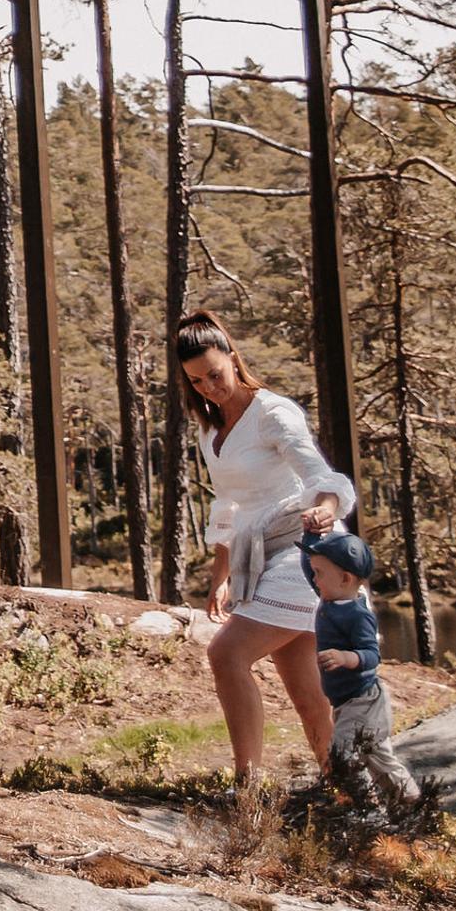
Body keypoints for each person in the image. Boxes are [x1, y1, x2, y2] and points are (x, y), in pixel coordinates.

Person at [177, 311, 358, 787]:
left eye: (215, 374)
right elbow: (229, 503)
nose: (210, 387)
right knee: (307, 693)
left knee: (226, 655)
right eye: (197, 381)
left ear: (233, 359)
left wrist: (324, 503)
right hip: (260, 556)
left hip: (307, 549)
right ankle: (347, 793)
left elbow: (316, 469)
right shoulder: (211, 432)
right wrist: (221, 573)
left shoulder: (273, 412)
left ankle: (247, 791)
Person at [306, 527, 425, 826]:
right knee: (377, 756)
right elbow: (310, 566)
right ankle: (411, 799)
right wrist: (310, 537)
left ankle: (367, 809)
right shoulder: (330, 596)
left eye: (319, 574)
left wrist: (346, 658)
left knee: (344, 753)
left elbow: (372, 655)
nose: (314, 580)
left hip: (365, 699)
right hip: (347, 701)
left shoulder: (357, 614)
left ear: (345, 579)